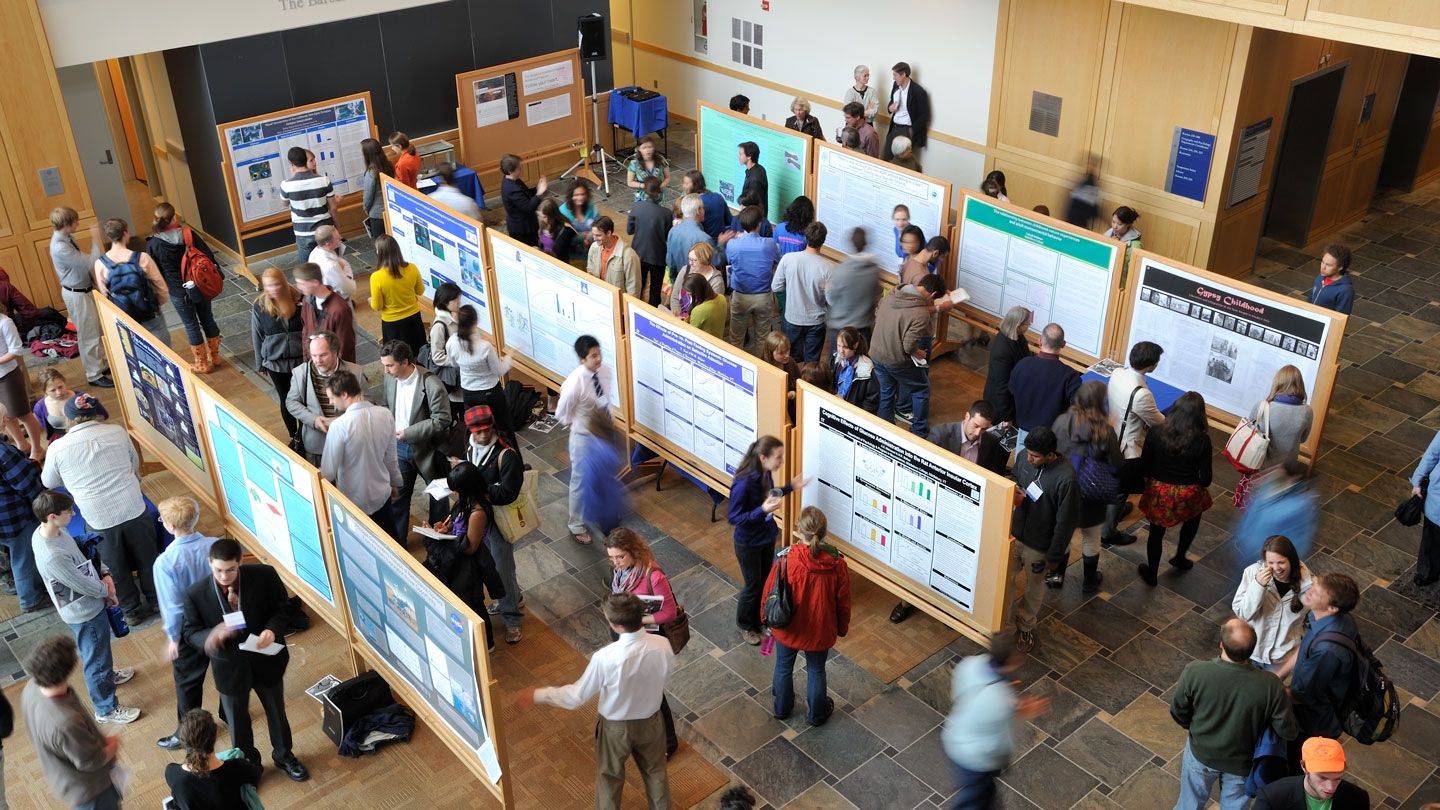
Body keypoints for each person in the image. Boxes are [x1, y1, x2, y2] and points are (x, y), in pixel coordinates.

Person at [519, 593, 676, 810]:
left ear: (616, 624)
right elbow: (664, 678)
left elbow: (576, 697)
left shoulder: (605, 657)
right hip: (652, 721)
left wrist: (540, 694)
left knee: (609, 778)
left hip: (615, 729)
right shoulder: (662, 645)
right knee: (656, 774)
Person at [181, 538, 308, 781]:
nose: (224, 576)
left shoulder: (264, 575)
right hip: (229, 667)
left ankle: (284, 756)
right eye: (218, 570)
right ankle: (249, 765)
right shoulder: (195, 593)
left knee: (276, 713)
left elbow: (283, 609)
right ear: (209, 564)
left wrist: (272, 630)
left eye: (230, 569)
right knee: (237, 723)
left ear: (240, 561)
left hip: (266, 659)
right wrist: (211, 636)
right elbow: (190, 633)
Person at [42, 393, 159, 624]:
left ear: (69, 418)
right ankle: (157, 600)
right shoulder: (116, 431)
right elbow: (135, 465)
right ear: (97, 412)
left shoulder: (57, 448)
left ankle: (131, 610)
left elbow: (48, 482)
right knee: (148, 558)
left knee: (115, 567)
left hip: (99, 517)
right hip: (134, 507)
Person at [30, 489, 139, 726]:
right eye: (68, 511)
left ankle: (107, 677)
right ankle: (106, 708)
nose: (74, 513)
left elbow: (81, 556)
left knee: (99, 651)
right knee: (95, 656)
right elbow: (82, 585)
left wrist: (105, 572)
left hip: (89, 602)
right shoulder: (52, 555)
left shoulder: (51, 531)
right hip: (85, 612)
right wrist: (108, 591)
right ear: (51, 516)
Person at [1170, 619, 1299, 810]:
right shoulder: (1271, 685)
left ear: (1221, 644)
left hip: (1201, 754)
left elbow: (1178, 711)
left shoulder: (1195, 671)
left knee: (1189, 803)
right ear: (1253, 649)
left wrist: (1196, 729)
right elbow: (1287, 730)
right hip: (1242, 765)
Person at [943, 629, 1049, 810]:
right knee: (973, 802)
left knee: (983, 795)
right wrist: (1028, 707)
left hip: (955, 736)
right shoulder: (999, 699)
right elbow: (1014, 709)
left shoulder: (971, 664)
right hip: (975, 759)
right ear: (1013, 659)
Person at [764, 507, 850, 725]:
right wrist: (841, 627)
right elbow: (843, 602)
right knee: (816, 669)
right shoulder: (838, 564)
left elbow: (769, 593)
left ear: (798, 530)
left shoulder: (785, 559)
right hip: (820, 629)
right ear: (824, 532)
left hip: (787, 627)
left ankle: (782, 708)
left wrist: (765, 620)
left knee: (783, 666)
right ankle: (817, 714)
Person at [152, 497, 225, 751]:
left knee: (188, 683)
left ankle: (188, 733)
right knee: (225, 670)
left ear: (170, 526)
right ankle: (228, 715)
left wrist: (173, 638)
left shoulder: (165, 562)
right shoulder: (216, 545)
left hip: (189, 630)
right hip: (221, 623)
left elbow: (172, 607)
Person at [21, 635, 126, 809]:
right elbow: (91, 762)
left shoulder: (31, 687)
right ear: (69, 668)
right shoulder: (65, 722)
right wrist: (113, 745)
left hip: (62, 774)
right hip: (90, 790)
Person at [604, 528, 680, 755]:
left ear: (633, 551)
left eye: (620, 557)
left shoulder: (653, 575)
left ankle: (668, 743)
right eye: (611, 558)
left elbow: (669, 612)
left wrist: (637, 619)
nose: (616, 563)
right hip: (626, 637)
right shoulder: (622, 573)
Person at [728, 436, 809, 646]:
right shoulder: (744, 483)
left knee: (765, 581)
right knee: (753, 585)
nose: (781, 461)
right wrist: (762, 510)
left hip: (766, 536)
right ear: (763, 457)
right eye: (778, 457)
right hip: (748, 543)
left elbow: (770, 495)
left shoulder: (765, 473)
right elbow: (734, 517)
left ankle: (760, 619)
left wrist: (791, 487)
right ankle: (745, 624)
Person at [1008, 427, 1079, 652]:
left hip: (1039, 546)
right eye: (1028, 453)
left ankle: (1026, 626)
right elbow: (1015, 478)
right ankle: (1002, 623)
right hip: (1013, 535)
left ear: (1050, 455)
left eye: (1035, 456)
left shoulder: (1066, 478)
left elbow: (1065, 522)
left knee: (1034, 588)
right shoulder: (1023, 457)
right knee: (1004, 581)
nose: (1029, 459)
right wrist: (1014, 490)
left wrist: (1055, 555)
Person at [461, 406, 525, 645]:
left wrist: (477, 488)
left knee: (501, 568)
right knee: (495, 565)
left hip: (499, 519)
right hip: (479, 516)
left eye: (487, 430)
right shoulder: (469, 445)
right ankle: (513, 597)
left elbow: (508, 493)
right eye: (478, 432)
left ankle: (512, 620)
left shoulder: (507, 456)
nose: (483, 436)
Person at [1137, 391, 1213, 586]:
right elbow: (1205, 480)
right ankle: (1180, 556)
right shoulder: (1203, 440)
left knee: (1156, 532)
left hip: (1160, 491)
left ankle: (1152, 572)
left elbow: (1144, 466)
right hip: (1188, 493)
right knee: (1193, 518)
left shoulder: (1155, 431)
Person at [425, 462, 505, 650]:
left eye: (457, 491)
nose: (454, 494)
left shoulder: (478, 512)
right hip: (457, 558)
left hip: (469, 565)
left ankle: (487, 643)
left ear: (467, 489)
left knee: (474, 603)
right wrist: (444, 529)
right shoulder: (465, 503)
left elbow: (470, 546)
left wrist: (445, 538)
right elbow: (456, 525)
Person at [1052, 381, 1121, 593]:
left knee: (1063, 535)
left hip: (1063, 490)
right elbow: (1118, 463)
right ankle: (1089, 581)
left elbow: (1051, 450)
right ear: (1102, 403)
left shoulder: (1063, 421)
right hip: (1092, 494)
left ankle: (1056, 577)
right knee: (1091, 537)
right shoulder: (1105, 431)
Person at [382, 340, 453, 542]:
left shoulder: (431, 384)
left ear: (405, 362)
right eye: (384, 366)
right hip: (399, 448)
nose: (385, 371)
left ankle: (436, 544)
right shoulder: (390, 379)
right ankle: (397, 546)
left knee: (439, 498)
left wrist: (409, 433)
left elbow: (442, 419)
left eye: (389, 366)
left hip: (429, 451)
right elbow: (387, 405)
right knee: (398, 499)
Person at [1289, 573, 1361, 766]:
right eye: (1314, 584)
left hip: (1312, 725)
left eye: (1317, 592)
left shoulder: (1327, 651)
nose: (1309, 591)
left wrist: (1262, 688)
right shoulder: (1332, 618)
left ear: (1332, 608)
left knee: (1299, 768)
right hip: (1314, 713)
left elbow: (1303, 695)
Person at [321, 369, 402, 540]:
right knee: (389, 543)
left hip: (353, 502)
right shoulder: (385, 414)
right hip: (381, 494)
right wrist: (394, 483)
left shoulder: (339, 426)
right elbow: (391, 459)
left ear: (344, 394)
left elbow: (328, 472)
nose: (330, 402)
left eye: (331, 398)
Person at [146, 203, 222, 373]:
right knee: (207, 319)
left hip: (178, 292)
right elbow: (208, 256)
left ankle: (201, 363)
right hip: (200, 286)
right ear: (174, 217)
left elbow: (155, 272)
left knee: (191, 325)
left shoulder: (154, 244)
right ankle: (215, 356)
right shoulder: (188, 234)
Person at [1101, 340, 1165, 544]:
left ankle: (1111, 514)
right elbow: (1158, 421)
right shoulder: (1142, 394)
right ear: (1151, 365)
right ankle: (1108, 531)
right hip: (1127, 447)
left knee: (1114, 485)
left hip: (1111, 437)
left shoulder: (1118, 373)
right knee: (1120, 491)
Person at [555, 335, 616, 544]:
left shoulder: (606, 371)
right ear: (582, 359)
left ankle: (599, 513)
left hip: (604, 432)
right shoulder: (574, 383)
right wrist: (581, 423)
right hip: (583, 437)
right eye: (593, 356)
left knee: (603, 477)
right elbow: (561, 413)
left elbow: (606, 397)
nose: (598, 359)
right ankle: (577, 524)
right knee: (580, 481)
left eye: (599, 354)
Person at [872, 274, 949, 438]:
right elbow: (908, 345)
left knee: (886, 393)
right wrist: (919, 352)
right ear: (933, 295)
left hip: (877, 353)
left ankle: (884, 432)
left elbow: (878, 314)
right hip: (896, 360)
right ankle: (919, 431)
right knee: (921, 389)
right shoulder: (921, 314)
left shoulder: (893, 293)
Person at [48, 207, 112, 388]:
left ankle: (99, 364)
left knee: (95, 329)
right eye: (75, 221)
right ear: (67, 225)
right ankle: (94, 374)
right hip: (77, 294)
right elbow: (90, 261)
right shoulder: (60, 247)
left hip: (83, 291)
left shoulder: (67, 238)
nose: (78, 224)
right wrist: (95, 237)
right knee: (88, 334)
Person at [1233, 534, 1313, 675]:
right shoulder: (1251, 573)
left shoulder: (1310, 585)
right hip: (1251, 651)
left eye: (1281, 562)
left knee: (1267, 695)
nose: (1276, 568)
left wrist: (1295, 642)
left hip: (1281, 658)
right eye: (1270, 563)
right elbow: (1243, 613)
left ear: (1292, 560)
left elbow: (1311, 622)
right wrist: (1257, 586)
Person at [1234, 365, 1313, 509]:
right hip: (1287, 469)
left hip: (1260, 466)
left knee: (1255, 506)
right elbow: (1303, 439)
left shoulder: (1262, 407)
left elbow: (1250, 431)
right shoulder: (1307, 412)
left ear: (1278, 382)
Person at [285, 331, 368, 464]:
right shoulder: (300, 373)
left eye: (323, 355)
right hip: (315, 446)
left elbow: (367, 406)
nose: (318, 361)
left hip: (348, 444)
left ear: (335, 352)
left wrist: (342, 421)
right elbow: (291, 402)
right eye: (314, 355)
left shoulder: (355, 373)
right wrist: (314, 420)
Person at [447, 304, 516, 450]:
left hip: (469, 394)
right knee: (504, 428)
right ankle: (514, 463)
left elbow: (454, 364)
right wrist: (509, 357)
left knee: (476, 430)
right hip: (491, 393)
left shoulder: (452, 342)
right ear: (476, 321)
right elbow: (499, 370)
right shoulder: (485, 346)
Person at [165, 709, 262, 810]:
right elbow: (256, 775)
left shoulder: (172, 773)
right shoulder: (237, 767)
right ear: (216, 733)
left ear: (182, 739)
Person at [95, 217, 170, 347]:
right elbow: (161, 288)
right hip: (149, 313)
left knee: (134, 352)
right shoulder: (143, 258)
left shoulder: (100, 264)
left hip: (124, 316)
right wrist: (155, 305)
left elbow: (104, 296)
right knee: (163, 350)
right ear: (125, 233)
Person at [250, 267, 305, 438]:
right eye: (267, 286)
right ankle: (293, 436)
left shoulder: (300, 301)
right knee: (285, 398)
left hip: (300, 361)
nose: (271, 290)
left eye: (275, 285)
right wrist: (260, 363)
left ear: (283, 283)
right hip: (275, 362)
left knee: (303, 398)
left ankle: (304, 435)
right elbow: (257, 336)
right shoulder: (259, 307)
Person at [1009, 323, 1081, 452]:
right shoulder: (1070, 375)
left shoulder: (1022, 365)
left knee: (1021, 469)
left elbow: (1011, 391)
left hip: (1024, 432)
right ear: (1063, 344)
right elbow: (1079, 407)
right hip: (1052, 438)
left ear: (1040, 341)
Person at [0, 429, 46, 613]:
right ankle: (31, 599)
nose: (6, 422)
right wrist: (43, 502)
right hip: (14, 518)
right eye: (3, 419)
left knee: (13, 554)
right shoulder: (4, 452)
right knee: (23, 557)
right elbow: (27, 482)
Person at [772, 222, 832, 363]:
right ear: (823, 241)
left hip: (792, 316)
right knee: (812, 362)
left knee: (787, 357)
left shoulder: (788, 259)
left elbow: (776, 287)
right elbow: (832, 301)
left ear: (806, 237)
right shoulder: (828, 268)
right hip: (816, 321)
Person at [1255, 738, 1370, 810]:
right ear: (1304, 767)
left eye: (1337, 779)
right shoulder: (1272, 798)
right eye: (1322, 778)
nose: (1331, 787)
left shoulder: (1358, 798)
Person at [726, 206, 781, 350]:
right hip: (763, 296)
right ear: (759, 224)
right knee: (762, 338)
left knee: (736, 338)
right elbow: (777, 259)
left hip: (740, 296)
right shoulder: (769, 244)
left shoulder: (732, 244)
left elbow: (729, 261)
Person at [0, 301, 46, 461]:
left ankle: (37, 448)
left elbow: (16, 350)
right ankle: (22, 445)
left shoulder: (5, 322)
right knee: (5, 416)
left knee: (23, 414)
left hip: (8, 375)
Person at [824, 228, 882, 349]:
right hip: (863, 327)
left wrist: (828, 287)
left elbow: (832, 299)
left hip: (841, 328)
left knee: (836, 365)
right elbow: (877, 293)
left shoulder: (841, 270)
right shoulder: (875, 270)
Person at [278, 147, 337, 263]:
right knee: (331, 264)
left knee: (308, 269)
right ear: (306, 160)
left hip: (303, 232)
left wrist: (291, 177)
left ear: (291, 163)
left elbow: (284, 203)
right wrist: (337, 228)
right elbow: (333, 207)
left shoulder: (286, 185)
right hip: (325, 228)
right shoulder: (324, 180)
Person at [368, 234, 426, 351]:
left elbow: (378, 306)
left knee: (396, 355)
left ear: (379, 252)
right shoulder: (412, 268)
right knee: (417, 352)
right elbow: (420, 290)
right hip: (414, 318)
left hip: (392, 323)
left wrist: (371, 301)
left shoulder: (376, 277)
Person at [293, 261, 355, 364]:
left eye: (301, 283)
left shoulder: (340, 309)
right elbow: (306, 331)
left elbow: (345, 345)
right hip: (314, 363)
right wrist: (307, 360)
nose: (298, 287)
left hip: (332, 368)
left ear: (315, 282)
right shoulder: (307, 301)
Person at [983, 305, 1032, 426]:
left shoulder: (1018, 337)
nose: (1029, 327)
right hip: (1001, 404)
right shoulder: (1002, 351)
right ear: (1018, 326)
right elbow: (1002, 386)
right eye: (1027, 324)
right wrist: (1007, 417)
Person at [627, 177, 672, 306]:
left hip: (638, 253)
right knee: (655, 288)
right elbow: (668, 235)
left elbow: (629, 230)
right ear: (659, 193)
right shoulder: (666, 213)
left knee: (638, 286)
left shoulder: (636, 206)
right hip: (658, 255)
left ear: (645, 192)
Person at [34, 370, 108, 442]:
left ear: (65, 382)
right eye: (53, 390)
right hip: (60, 439)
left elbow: (103, 415)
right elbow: (46, 427)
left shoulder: (83, 397)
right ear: (45, 391)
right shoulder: (39, 407)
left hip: (85, 435)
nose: (59, 392)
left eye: (60, 387)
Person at [882, 62, 931, 160]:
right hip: (894, 127)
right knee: (886, 158)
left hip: (907, 130)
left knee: (902, 161)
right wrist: (890, 108)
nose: (893, 78)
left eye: (895, 75)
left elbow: (925, 115)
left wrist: (912, 130)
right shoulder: (896, 86)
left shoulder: (918, 92)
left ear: (903, 74)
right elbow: (892, 101)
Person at [1410, 427, 1440, 587]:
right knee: (1432, 539)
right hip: (1438, 500)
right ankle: (1427, 571)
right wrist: (1418, 481)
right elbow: (1431, 455)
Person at [587, 216, 642, 299]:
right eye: (593, 235)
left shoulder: (629, 256)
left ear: (608, 233)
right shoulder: (594, 248)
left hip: (617, 305)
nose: (594, 239)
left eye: (598, 235)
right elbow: (590, 271)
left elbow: (633, 289)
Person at [499, 154, 547, 248]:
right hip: (522, 229)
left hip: (524, 224)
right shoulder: (511, 189)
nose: (522, 170)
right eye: (519, 168)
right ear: (510, 171)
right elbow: (528, 207)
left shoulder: (513, 180)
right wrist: (539, 193)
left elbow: (525, 193)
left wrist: (537, 188)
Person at [670, 241, 726, 317]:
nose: (690, 263)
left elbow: (712, 309)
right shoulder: (685, 270)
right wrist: (677, 313)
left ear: (705, 260)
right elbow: (675, 295)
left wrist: (689, 319)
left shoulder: (716, 282)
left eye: (694, 260)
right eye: (689, 259)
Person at [832, 327, 880, 415]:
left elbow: (871, 399)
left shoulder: (866, 369)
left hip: (853, 414)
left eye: (845, 347)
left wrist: (860, 416)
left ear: (855, 345)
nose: (841, 351)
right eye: (839, 346)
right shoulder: (836, 359)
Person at [306, 224, 355, 301]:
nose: (341, 237)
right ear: (328, 244)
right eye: (337, 237)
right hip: (337, 300)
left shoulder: (315, 252)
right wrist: (346, 271)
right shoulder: (330, 265)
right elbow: (347, 289)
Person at [680, 170, 731, 239]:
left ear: (695, 184)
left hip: (703, 242)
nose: (683, 186)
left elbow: (689, 227)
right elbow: (729, 221)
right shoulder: (718, 197)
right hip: (721, 238)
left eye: (686, 183)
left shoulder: (692, 204)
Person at [560, 179, 599, 268]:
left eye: (583, 194)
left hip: (591, 255)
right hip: (570, 257)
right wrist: (581, 237)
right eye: (577, 195)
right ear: (571, 196)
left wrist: (589, 237)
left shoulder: (592, 208)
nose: (581, 197)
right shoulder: (562, 211)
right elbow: (561, 238)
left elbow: (600, 227)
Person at [1306, 244, 1354, 315]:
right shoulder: (1320, 277)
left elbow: (1341, 316)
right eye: (1322, 262)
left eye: (1328, 265)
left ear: (1340, 267)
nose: (1323, 267)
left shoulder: (1345, 290)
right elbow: (1311, 297)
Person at [360, 137, 394, 237]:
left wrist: (366, 208)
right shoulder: (388, 165)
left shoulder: (371, 173)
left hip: (377, 214)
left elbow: (368, 195)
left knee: (380, 243)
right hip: (389, 210)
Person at [538, 198, 582, 266]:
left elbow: (556, 253)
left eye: (544, 217)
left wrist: (539, 251)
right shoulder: (544, 223)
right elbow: (541, 243)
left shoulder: (565, 229)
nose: (541, 219)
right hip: (545, 260)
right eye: (539, 216)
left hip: (558, 263)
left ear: (551, 216)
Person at [625, 136, 670, 202]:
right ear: (639, 149)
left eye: (650, 147)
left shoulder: (661, 160)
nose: (647, 150)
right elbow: (630, 182)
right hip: (642, 197)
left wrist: (659, 187)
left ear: (653, 148)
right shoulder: (634, 163)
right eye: (644, 148)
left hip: (658, 195)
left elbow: (667, 177)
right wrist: (645, 186)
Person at [683, 274, 726, 338]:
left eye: (690, 294)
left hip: (703, 343)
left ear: (696, 293)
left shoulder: (699, 310)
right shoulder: (722, 298)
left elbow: (691, 334)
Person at [738, 142, 768, 217]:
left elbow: (753, 205)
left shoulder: (755, 180)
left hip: (753, 220)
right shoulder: (759, 169)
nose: (738, 156)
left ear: (749, 156)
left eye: (741, 154)